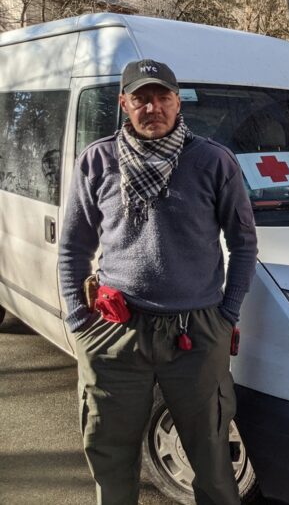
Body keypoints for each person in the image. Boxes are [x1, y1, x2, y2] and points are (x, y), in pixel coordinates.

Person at [59, 59, 258, 505]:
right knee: (109, 453)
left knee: (210, 455)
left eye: (162, 96)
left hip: (198, 332)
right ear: (124, 102)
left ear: (177, 99)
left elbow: (244, 244)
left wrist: (226, 316)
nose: (153, 107)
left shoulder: (212, 161)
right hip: (115, 330)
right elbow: (72, 247)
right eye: (142, 98)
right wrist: (78, 320)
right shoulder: (98, 160)